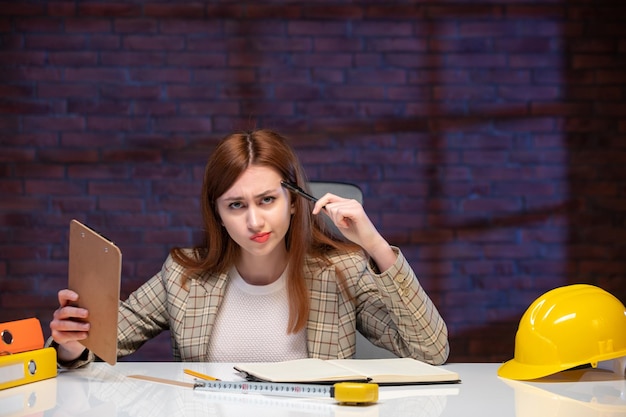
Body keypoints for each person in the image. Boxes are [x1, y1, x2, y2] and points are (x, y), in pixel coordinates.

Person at [49, 129, 449, 367]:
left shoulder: (342, 269)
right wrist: (69, 346)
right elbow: (99, 344)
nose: (254, 222)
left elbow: (431, 350)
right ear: (218, 214)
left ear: (294, 202)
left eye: (267, 200)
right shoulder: (183, 274)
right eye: (236, 206)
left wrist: (375, 245)